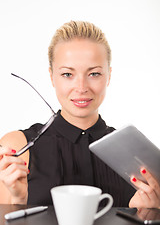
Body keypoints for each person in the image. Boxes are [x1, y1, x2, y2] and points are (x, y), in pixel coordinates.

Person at [0, 21, 160, 208]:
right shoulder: (17, 147)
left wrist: (144, 214)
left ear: (109, 75)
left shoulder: (138, 153)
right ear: (52, 77)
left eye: (94, 74)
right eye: (68, 74)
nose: (82, 88)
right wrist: (17, 201)